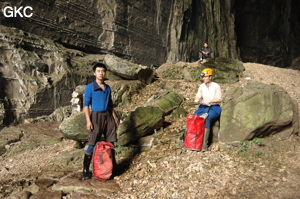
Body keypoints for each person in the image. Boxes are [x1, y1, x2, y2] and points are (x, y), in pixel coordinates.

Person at [82, 63, 119, 179]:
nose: (101, 73)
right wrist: (89, 121)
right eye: (98, 71)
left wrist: (115, 117)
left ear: (105, 73)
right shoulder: (89, 87)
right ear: (94, 73)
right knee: (92, 143)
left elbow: (110, 104)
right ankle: (85, 169)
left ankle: (111, 168)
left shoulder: (107, 88)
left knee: (111, 142)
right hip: (96, 117)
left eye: (103, 71)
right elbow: (86, 105)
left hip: (108, 116)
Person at [194, 68, 221, 151]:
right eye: (203, 77)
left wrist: (210, 101)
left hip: (214, 107)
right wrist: (198, 99)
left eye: (206, 77)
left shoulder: (216, 86)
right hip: (203, 107)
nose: (204, 79)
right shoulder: (201, 86)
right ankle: (191, 141)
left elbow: (219, 99)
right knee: (194, 117)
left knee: (207, 119)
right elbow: (197, 96)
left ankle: (204, 144)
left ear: (210, 77)